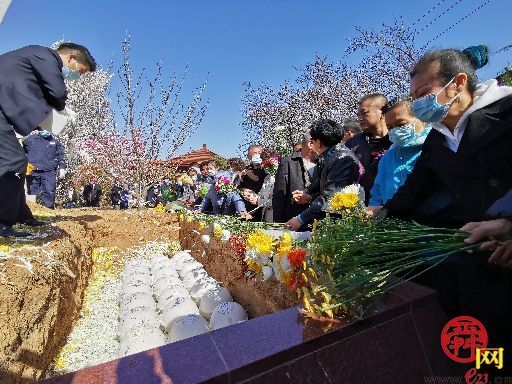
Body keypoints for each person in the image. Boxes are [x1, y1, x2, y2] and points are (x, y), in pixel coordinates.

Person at [378, 45, 512, 365]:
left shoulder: (507, 110)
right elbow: (413, 190)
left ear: (457, 83)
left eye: (424, 92)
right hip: (479, 259)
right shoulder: (439, 138)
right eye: (415, 96)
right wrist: (379, 216)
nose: (419, 103)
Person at [0, 42, 96, 237]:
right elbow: (58, 92)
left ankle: (20, 214)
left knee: (18, 161)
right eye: (82, 71)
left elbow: (27, 91)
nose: (80, 76)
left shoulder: (33, 58)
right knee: (13, 160)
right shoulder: (45, 57)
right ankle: (2, 222)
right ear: (72, 58)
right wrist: (60, 109)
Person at [285, 119, 359, 230]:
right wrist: (307, 191)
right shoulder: (330, 155)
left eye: (312, 141)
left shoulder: (342, 159)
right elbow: (322, 180)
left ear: (319, 142)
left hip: (339, 221)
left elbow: (330, 196)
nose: (310, 144)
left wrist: (300, 219)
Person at [367, 98, 431, 208]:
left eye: (401, 124)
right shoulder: (387, 157)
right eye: (390, 127)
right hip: (392, 220)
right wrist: (374, 211)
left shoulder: (435, 148)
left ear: (421, 118)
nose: (395, 130)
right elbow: (377, 191)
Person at [345, 94, 391, 204]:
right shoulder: (352, 144)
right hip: (362, 211)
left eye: (365, 113)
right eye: (358, 114)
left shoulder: (399, 139)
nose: (360, 118)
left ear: (382, 111)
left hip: (395, 209)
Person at [273, 133, 317, 223]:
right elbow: (279, 197)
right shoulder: (288, 162)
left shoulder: (323, 163)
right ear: (310, 143)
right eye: (322, 143)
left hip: (320, 222)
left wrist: (310, 198)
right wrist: (279, 226)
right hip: (294, 223)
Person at [23, 129, 67, 209]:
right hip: (33, 171)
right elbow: (22, 152)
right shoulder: (30, 139)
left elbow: (60, 156)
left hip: (49, 171)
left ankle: (49, 210)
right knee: (33, 192)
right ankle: (32, 211)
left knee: (49, 191)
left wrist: (62, 168)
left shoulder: (55, 142)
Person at [238, 145, 266, 218]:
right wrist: (243, 190)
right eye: (254, 153)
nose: (257, 155)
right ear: (249, 156)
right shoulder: (245, 171)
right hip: (248, 207)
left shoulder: (268, 169)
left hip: (263, 205)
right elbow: (239, 186)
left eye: (259, 153)